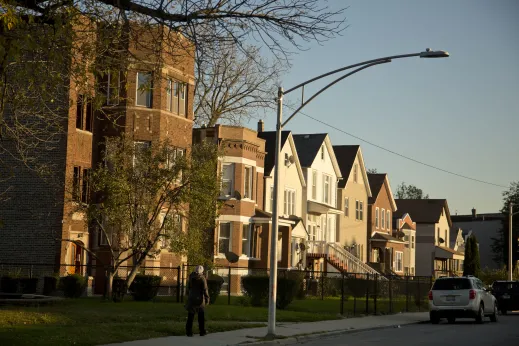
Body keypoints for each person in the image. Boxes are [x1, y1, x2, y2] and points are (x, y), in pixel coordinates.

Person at [185, 265, 210, 337]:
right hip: (200, 299)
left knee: (190, 316)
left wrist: (189, 294)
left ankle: (189, 332)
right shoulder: (202, 278)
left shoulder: (191, 277)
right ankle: (202, 331)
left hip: (191, 297)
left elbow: (188, 287)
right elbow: (205, 289)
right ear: (202, 271)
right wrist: (207, 298)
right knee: (201, 316)